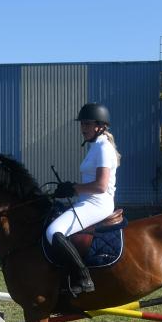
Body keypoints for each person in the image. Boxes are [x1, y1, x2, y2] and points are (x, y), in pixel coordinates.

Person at [45, 102, 120, 296]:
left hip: (98, 203)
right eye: (82, 124)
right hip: (87, 201)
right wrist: (71, 188)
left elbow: (101, 185)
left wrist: (73, 189)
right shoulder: (95, 147)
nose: (83, 128)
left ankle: (84, 277)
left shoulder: (103, 147)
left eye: (87, 124)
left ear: (100, 126)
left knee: (53, 231)